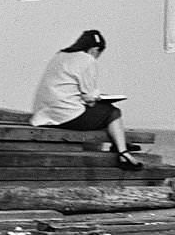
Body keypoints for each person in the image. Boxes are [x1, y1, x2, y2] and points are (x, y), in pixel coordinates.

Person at [30, 29, 142, 170]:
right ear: (95, 49)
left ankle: (121, 144)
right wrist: (100, 98)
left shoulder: (59, 56)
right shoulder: (86, 59)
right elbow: (89, 97)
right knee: (112, 112)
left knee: (100, 114)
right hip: (65, 116)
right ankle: (123, 152)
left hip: (44, 116)